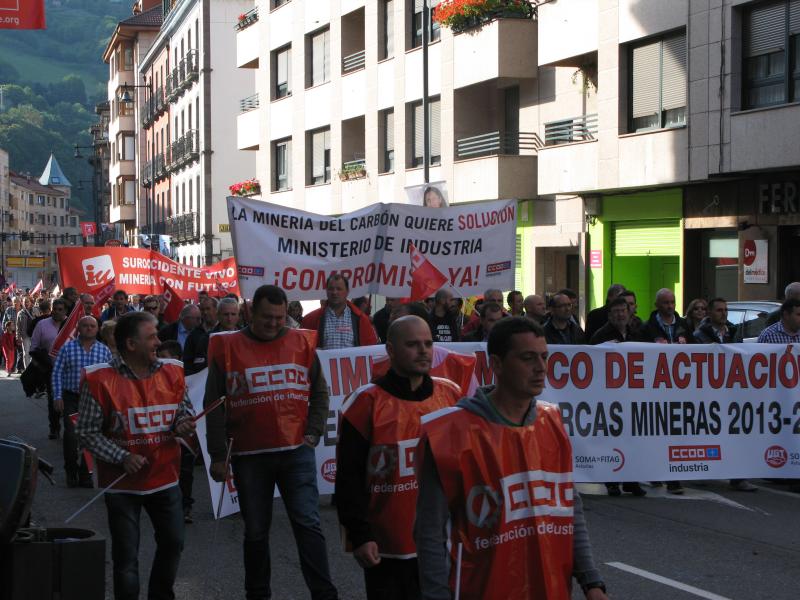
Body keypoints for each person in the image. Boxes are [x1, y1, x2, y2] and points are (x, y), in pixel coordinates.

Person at [414, 318, 608, 600]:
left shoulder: (553, 422)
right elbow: (430, 533)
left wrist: (592, 582)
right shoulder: (449, 432)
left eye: (544, 357)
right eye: (528, 358)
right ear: (497, 364)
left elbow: (571, 511)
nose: (541, 367)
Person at [205, 285, 338, 600]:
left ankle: (324, 593)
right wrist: (217, 455)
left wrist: (313, 433)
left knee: (308, 525)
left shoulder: (301, 343)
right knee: (255, 531)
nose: (274, 323)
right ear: (251, 313)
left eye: (280, 317)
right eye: (267, 317)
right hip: (250, 456)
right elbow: (213, 405)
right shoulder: (227, 348)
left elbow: (320, 391)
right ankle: (258, 593)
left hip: (296, 452)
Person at [336, 316, 462, 599]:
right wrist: (360, 536)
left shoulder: (451, 394)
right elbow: (348, 477)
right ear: (391, 350)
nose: (423, 351)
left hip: (442, 541)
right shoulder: (365, 402)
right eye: (413, 344)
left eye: (428, 343)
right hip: (387, 545)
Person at [76, 311, 195, 600]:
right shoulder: (99, 380)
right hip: (122, 484)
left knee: (173, 543)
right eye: (152, 336)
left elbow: (184, 410)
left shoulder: (173, 371)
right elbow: (87, 432)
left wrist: (183, 422)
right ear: (131, 344)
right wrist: (121, 457)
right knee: (126, 558)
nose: (159, 341)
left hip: (165, 478)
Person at [589, 298, 647, 497]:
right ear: (609, 315)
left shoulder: (636, 334)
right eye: (616, 311)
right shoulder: (600, 335)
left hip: (631, 395)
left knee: (632, 439)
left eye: (623, 310)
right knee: (611, 439)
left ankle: (631, 480)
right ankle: (612, 480)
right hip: (608, 396)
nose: (620, 314)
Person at [51, 315, 112, 488]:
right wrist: (57, 396)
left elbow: (109, 378)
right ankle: (71, 471)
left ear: (97, 329)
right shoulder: (67, 348)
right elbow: (57, 373)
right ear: (78, 328)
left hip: (94, 400)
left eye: (92, 326)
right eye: (85, 325)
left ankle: (86, 474)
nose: (89, 328)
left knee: (90, 437)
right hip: (71, 397)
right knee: (71, 436)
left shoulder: (104, 351)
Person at [642, 288, 690, 494]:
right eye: (665, 303)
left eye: (672, 302)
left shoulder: (684, 326)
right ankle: (654, 471)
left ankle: (673, 478)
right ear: (657, 305)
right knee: (656, 434)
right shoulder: (647, 328)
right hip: (655, 390)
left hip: (680, 390)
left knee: (676, 434)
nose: (670, 306)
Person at [302, 274, 378, 349]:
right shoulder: (311, 319)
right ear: (326, 291)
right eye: (331, 289)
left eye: (339, 289)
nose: (334, 292)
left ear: (347, 291)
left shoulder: (361, 319)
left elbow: (371, 349)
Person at [31, 298, 69, 439]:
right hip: (50, 370)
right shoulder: (42, 325)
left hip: (69, 370)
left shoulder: (71, 326)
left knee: (68, 400)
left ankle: (69, 428)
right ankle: (54, 428)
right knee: (53, 399)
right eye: (55, 308)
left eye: (60, 309)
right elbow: (34, 347)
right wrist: (40, 363)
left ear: (65, 311)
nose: (57, 312)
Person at [182, 296, 219, 375]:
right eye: (202, 309)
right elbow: (187, 362)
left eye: (208, 309)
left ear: (216, 310)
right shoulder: (194, 334)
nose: (205, 312)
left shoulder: (223, 331)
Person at [16, 296, 35, 370]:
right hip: (25, 335)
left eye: (27, 301)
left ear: (30, 302)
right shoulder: (20, 313)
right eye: (25, 302)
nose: (26, 303)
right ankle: (27, 369)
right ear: (22, 303)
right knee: (26, 353)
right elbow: (18, 326)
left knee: (33, 353)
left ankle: (33, 368)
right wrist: (18, 337)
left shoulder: (35, 310)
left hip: (34, 335)